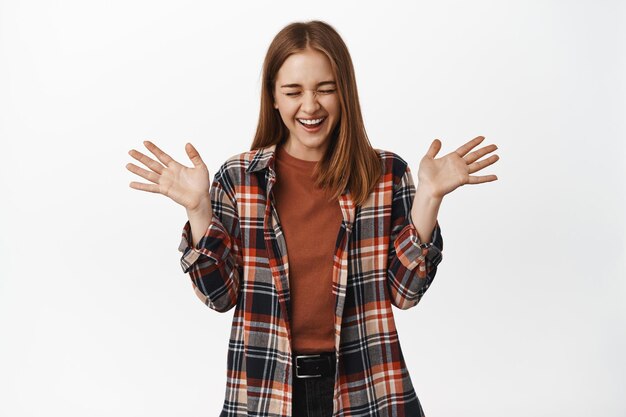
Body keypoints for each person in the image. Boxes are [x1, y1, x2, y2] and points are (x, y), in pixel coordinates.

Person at [126, 20, 499, 417]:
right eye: (293, 91)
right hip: (266, 393)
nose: (310, 106)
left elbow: (405, 294)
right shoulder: (239, 179)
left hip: (367, 391)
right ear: (272, 97)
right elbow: (219, 296)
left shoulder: (385, 174)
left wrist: (428, 197)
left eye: (325, 89)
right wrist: (198, 209)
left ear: (345, 92)